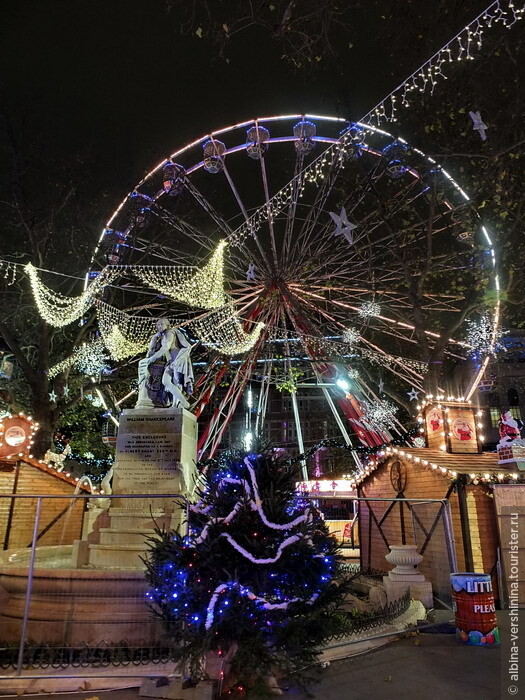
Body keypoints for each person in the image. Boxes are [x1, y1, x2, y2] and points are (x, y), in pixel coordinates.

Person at [136, 319, 194, 410]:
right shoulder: (163, 336)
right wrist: (154, 337)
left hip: (177, 359)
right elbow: (151, 351)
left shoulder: (170, 332)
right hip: (170, 361)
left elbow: (166, 347)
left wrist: (152, 359)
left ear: (167, 325)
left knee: (176, 382)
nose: (159, 326)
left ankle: (177, 404)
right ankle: (183, 402)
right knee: (166, 382)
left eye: (161, 324)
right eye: (157, 325)